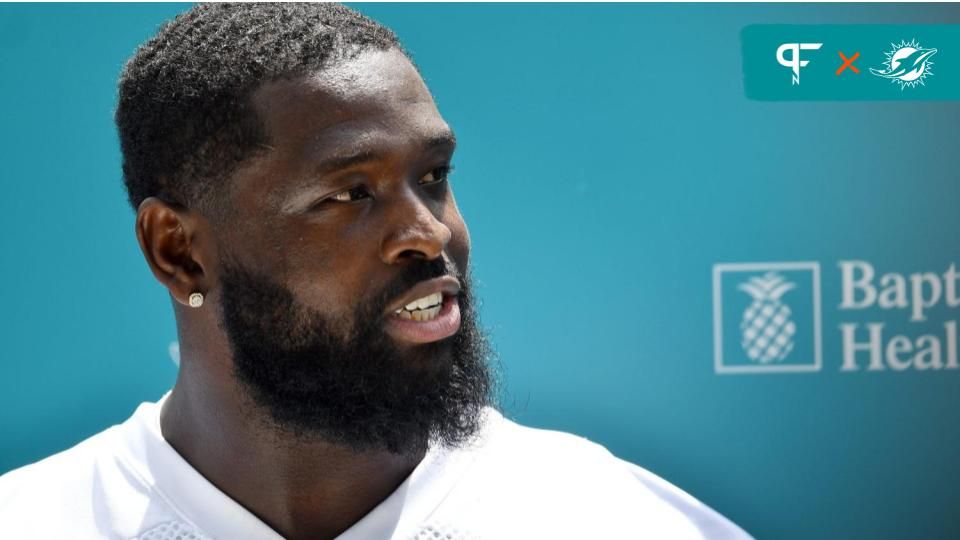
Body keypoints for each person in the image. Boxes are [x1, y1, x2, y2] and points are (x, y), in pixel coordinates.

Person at [0, 4, 750, 539]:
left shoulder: (607, 519)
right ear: (178, 250)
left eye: (433, 176)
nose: (429, 235)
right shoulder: (34, 521)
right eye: (350, 194)